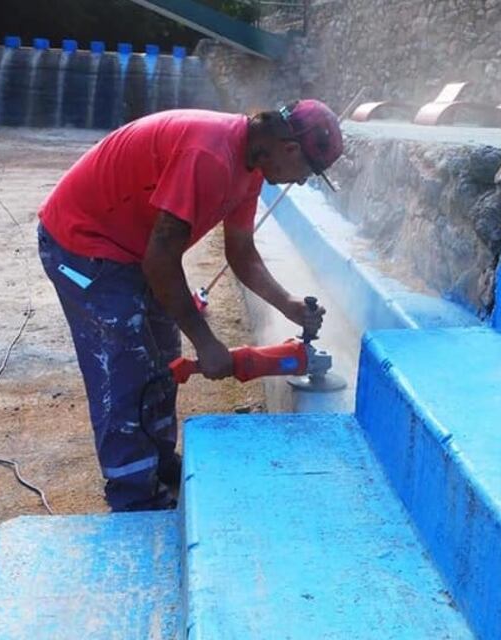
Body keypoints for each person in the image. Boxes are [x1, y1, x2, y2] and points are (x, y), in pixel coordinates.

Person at [36, 100, 344, 511]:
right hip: (81, 244)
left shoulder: (250, 164)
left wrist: (286, 303)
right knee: (126, 364)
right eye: (307, 172)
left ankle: (159, 463)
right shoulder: (210, 154)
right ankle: (132, 495)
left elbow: (241, 251)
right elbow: (160, 260)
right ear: (290, 148)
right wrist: (207, 342)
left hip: (132, 249)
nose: (302, 183)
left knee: (163, 358)